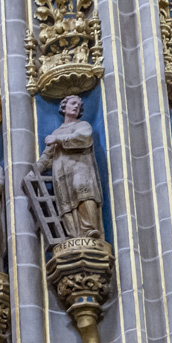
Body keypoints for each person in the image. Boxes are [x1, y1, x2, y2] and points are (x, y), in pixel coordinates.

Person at [36, 93, 103, 239]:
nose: (76, 107)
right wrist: (35, 170)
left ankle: (89, 230)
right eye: (73, 103)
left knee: (82, 190)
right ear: (64, 107)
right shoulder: (56, 132)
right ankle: (74, 235)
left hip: (80, 168)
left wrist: (58, 140)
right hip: (61, 175)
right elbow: (47, 157)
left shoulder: (83, 126)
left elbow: (83, 138)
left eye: (78, 106)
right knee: (65, 202)